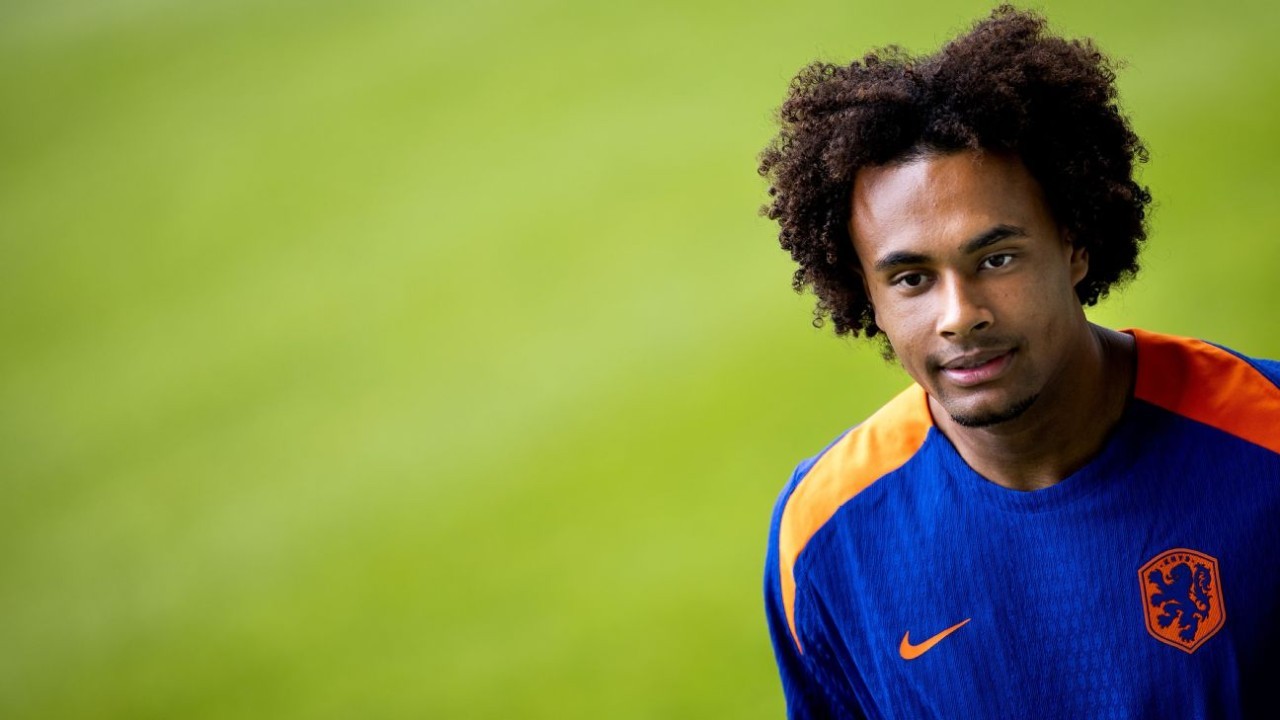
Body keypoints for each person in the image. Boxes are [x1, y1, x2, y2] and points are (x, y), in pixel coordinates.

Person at [757, 6, 1280, 718]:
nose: (959, 314)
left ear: (1075, 243)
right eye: (910, 278)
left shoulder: (1264, 438)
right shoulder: (825, 534)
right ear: (865, 294)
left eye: (997, 259)